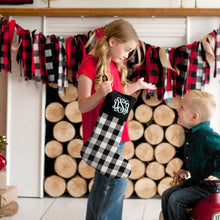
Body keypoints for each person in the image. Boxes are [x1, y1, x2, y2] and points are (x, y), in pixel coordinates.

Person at [77, 19, 156, 220]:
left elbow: (114, 97)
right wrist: (99, 94)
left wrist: (135, 86)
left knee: (102, 185)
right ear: (112, 42)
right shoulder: (89, 64)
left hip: (116, 134)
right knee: (116, 182)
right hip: (102, 136)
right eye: (126, 49)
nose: (127, 56)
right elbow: (83, 105)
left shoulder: (113, 65)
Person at [161, 90, 220, 220]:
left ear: (194, 117)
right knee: (166, 195)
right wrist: (185, 168)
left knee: (176, 199)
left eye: (182, 107)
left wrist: (217, 174)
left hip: (207, 187)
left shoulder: (206, 135)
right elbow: (191, 154)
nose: (177, 109)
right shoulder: (192, 133)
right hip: (195, 182)